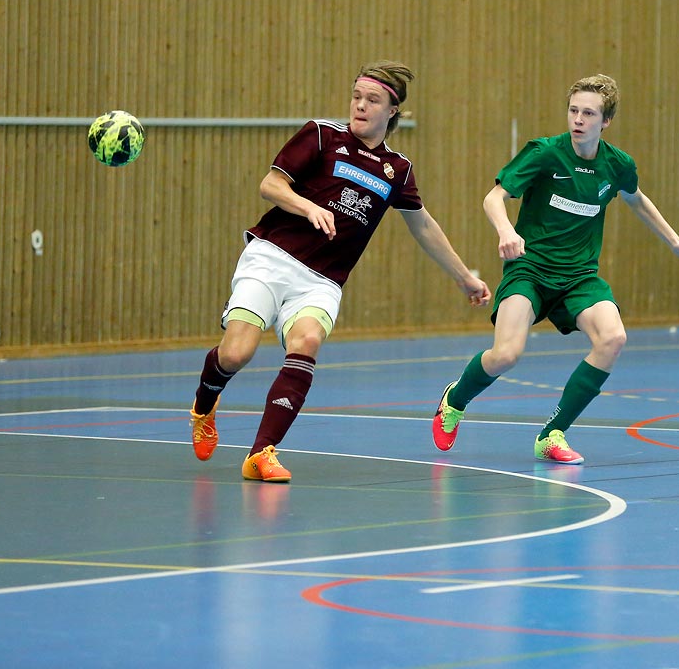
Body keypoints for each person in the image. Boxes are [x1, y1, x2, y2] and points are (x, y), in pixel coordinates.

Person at [188, 61, 491, 482]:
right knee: (237, 353)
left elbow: (423, 225)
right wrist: (309, 206)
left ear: (392, 112)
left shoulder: (396, 170)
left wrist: (464, 277)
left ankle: (261, 454)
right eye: (356, 97)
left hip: (322, 280)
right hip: (271, 256)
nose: (361, 106)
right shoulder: (321, 136)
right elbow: (271, 185)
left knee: (307, 340)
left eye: (373, 100)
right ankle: (205, 404)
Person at [429, 74, 679, 465]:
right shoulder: (545, 153)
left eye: (588, 113)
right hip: (530, 271)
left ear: (605, 121)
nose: (578, 119)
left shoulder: (617, 165)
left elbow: (636, 199)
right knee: (506, 354)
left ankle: (552, 433)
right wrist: (506, 229)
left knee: (613, 338)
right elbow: (494, 197)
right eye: (574, 110)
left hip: (579, 277)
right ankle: (455, 399)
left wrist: (674, 241)